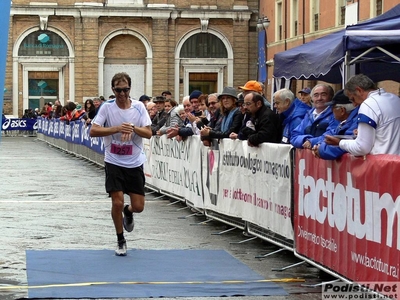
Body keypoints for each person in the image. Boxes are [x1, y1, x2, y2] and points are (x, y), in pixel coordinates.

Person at [89, 72, 152, 256]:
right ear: (113, 89)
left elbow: (148, 133)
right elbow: (93, 131)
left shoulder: (139, 107)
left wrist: (132, 128)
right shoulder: (107, 108)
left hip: (134, 162)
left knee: (139, 206)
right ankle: (120, 239)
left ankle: (128, 211)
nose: (122, 94)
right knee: (116, 202)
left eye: (125, 90)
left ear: (130, 89)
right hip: (114, 161)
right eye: (118, 90)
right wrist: (117, 128)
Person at [325, 74, 400, 156]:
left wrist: (340, 142)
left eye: (353, 99)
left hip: (383, 163)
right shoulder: (395, 98)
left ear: (359, 90)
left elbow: (362, 147)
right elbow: (386, 132)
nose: (354, 104)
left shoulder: (368, 105)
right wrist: (364, 133)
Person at [312, 89, 359, 160]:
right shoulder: (344, 122)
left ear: (342, 110)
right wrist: (318, 144)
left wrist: (320, 149)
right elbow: (330, 135)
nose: (331, 110)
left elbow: (341, 146)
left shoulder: (356, 122)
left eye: (333, 108)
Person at [291, 84, 339, 149]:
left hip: (325, 157)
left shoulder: (335, 114)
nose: (319, 98)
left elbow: (331, 136)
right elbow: (294, 136)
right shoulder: (308, 115)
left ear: (330, 97)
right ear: (312, 98)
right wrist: (305, 140)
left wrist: (312, 141)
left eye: (323, 95)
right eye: (316, 95)